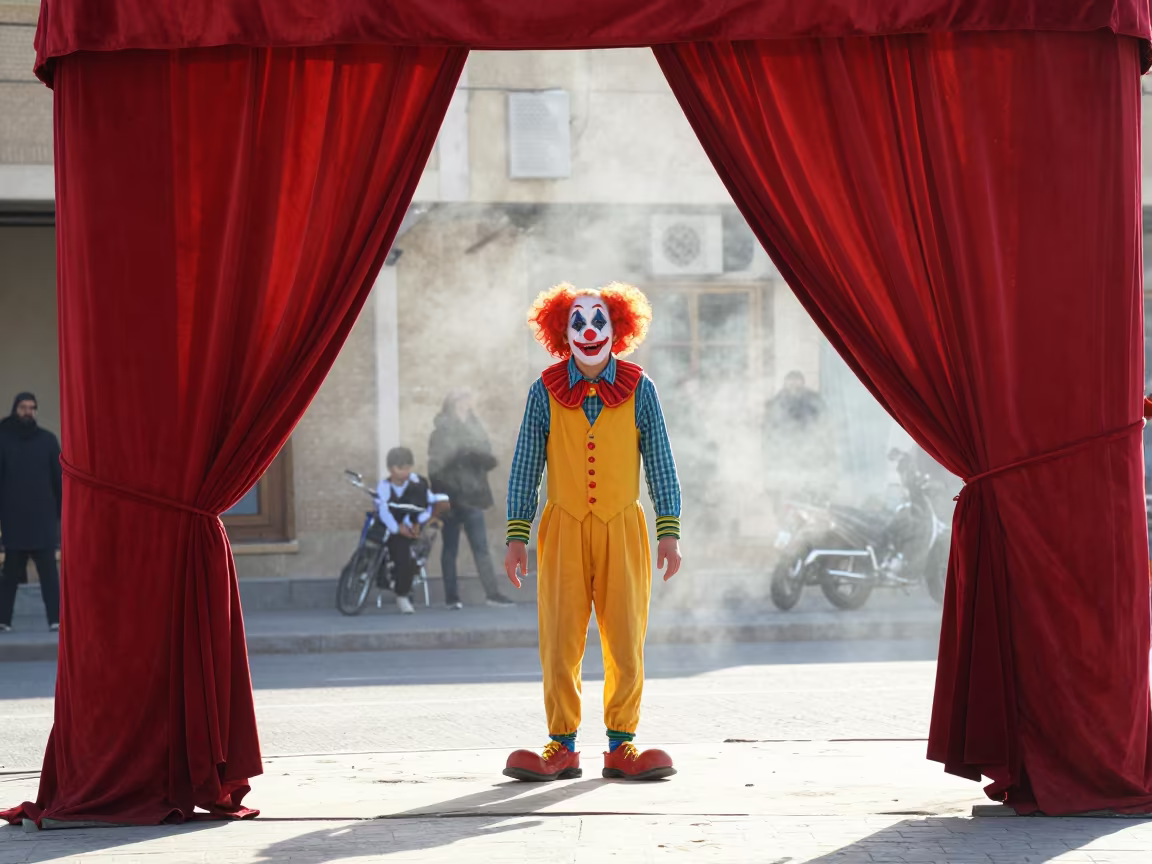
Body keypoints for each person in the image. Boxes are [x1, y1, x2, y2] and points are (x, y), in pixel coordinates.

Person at [503, 281, 683, 782]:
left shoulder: (640, 388)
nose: (588, 330)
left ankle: (621, 745)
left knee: (625, 637)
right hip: (561, 528)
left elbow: (661, 464)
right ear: (562, 331)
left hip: (623, 525)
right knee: (559, 639)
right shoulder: (544, 391)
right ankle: (561, 746)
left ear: (618, 328)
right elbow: (524, 467)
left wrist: (669, 530)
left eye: (598, 321)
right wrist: (517, 535)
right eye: (577, 322)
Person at [428, 390, 515, 609]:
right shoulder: (441, 432)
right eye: (461, 399)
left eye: (468, 398)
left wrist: (482, 458)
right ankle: (452, 598)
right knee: (450, 548)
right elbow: (435, 468)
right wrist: (441, 499)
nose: (467, 402)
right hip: (451, 497)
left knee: (481, 548)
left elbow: (487, 456)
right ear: (451, 403)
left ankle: (492, 594)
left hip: (473, 496)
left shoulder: (476, 427)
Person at [0, 392, 62, 632]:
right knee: (10, 576)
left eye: (32, 407)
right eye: (24, 407)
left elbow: (59, 482)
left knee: (49, 575)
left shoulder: (47, 440)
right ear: (16, 409)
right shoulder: (3, 440)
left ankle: (56, 620)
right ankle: (3, 620)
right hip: (14, 521)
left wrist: (60, 516)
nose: (28, 412)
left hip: (42, 521)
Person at [763, 370, 836, 514]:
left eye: (797, 384)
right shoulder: (776, 403)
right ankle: (785, 527)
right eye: (791, 383)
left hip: (810, 458)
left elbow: (825, 427)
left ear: (803, 383)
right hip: (783, 458)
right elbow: (768, 432)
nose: (794, 387)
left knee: (809, 497)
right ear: (785, 384)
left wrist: (825, 453)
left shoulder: (814, 401)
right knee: (784, 499)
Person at [376, 446, 435, 615]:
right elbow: (383, 511)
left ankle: (403, 592)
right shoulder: (384, 486)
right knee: (400, 551)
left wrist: (416, 523)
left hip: (413, 527)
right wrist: (397, 528)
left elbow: (428, 506)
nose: (405, 472)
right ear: (391, 469)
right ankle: (398, 591)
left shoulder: (418, 483)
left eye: (408, 467)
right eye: (400, 468)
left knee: (412, 555)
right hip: (393, 529)